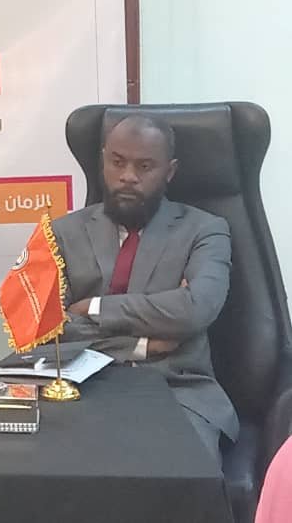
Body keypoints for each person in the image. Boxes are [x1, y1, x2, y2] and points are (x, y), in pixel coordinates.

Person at [53, 114, 238, 463]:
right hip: (80, 389)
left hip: (176, 393)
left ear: (169, 171)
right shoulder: (61, 233)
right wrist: (144, 345)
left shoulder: (205, 230)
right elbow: (44, 330)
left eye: (145, 166)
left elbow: (195, 309)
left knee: (174, 474)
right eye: (117, 162)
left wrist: (93, 307)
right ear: (103, 160)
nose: (128, 176)